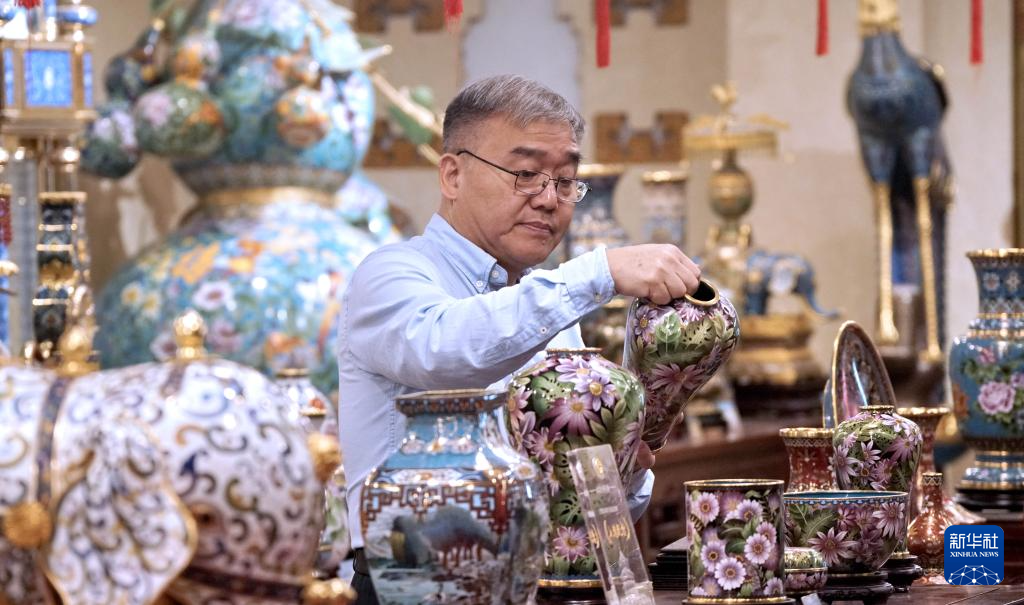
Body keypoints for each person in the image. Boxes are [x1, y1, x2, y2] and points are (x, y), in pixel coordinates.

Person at [337, 74, 701, 604]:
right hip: (414, 586)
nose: (549, 199)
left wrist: (623, 461)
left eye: (565, 180)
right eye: (526, 174)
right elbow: (448, 352)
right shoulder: (392, 274)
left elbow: (584, 513)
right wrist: (597, 272)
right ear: (453, 175)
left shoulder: (549, 307)